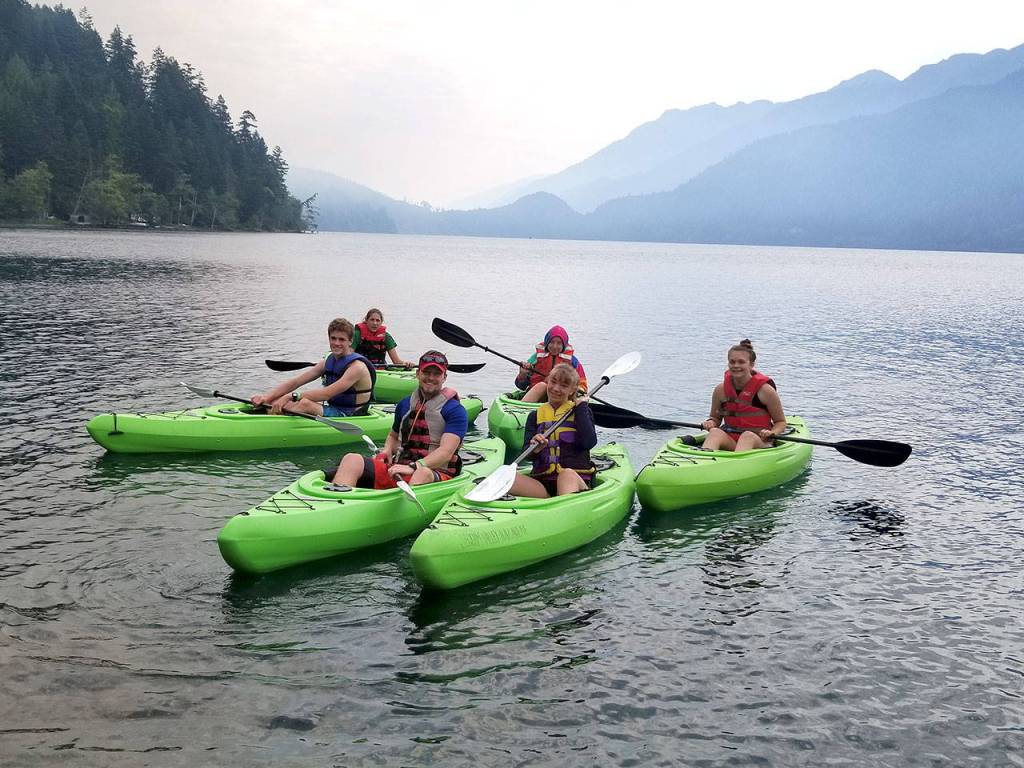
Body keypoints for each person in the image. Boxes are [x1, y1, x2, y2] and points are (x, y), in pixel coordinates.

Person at [331, 350, 469, 489]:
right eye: (426, 372)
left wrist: (414, 466)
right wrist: (387, 450)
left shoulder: (455, 410)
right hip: (400, 468)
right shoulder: (405, 404)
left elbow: (446, 452)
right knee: (351, 459)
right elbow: (393, 436)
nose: (430, 378)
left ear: (444, 377)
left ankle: (403, 507)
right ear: (418, 374)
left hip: (435, 473)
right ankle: (338, 501)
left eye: (436, 374)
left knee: (422, 473)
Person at [251, 318, 375, 417]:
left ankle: (272, 418)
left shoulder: (357, 367)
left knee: (304, 403)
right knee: (275, 400)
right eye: (333, 338)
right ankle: (270, 409)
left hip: (351, 415)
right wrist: (267, 397)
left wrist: (289, 396)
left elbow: (326, 394)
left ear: (350, 341)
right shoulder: (328, 361)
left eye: (341, 339)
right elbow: (296, 382)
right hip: (333, 409)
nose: (336, 343)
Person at [508, 363, 597, 497]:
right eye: (553, 382)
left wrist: (582, 408)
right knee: (508, 477)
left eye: (564, 385)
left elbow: (589, 442)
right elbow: (526, 456)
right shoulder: (535, 416)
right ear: (548, 382)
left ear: (572, 390)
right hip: (542, 484)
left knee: (566, 475)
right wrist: (534, 448)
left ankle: (564, 509)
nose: (556, 388)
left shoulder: (581, 412)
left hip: (574, 480)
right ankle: (549, 504)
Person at [701, 339, 787, 451]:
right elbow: (716, 418)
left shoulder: (765, 391)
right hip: (732, 440)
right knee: (715, 432)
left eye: (741, 362)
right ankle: (704, 461)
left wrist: (771, 432)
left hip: (759, 441)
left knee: (747, 436)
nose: (736, 365)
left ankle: (735, 466)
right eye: (732, 362)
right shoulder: (720, 390)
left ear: (751, 364)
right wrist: (710, 422)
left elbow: (781, 422)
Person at [515, 325, 588, 403]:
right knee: (542, 386)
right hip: (538, 397)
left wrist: (576, 390)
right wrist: (522, 374)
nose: (555, 346)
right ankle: (522, 408)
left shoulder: (573, 362)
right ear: (547, 343)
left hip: (560, 397)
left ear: (564, 345)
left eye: (559, 343)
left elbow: (583, 386)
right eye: (552, 342)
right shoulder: (535, 359)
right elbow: (521, 386)